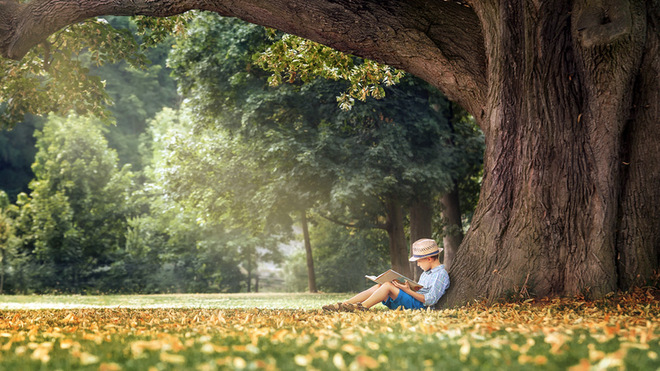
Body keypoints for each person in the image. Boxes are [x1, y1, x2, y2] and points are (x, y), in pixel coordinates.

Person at [322, 238, 450, 312]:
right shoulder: (426, 273)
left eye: (419, 261)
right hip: (414, 300)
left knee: (388, 285)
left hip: (420, 307)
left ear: (428, 259)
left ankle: (361, 307)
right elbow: (420, 290)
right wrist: (405, 287)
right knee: (380, 286)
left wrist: (407, 291)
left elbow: (430, 300)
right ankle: (344, 305)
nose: (417, 265)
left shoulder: (440, 275)